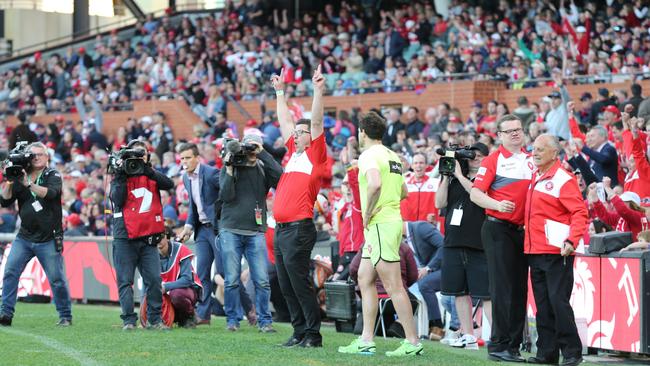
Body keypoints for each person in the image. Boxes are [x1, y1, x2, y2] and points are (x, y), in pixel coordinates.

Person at [338, 111, 424, 357]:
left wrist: (370, 211)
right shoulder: (392, 155)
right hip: (389, 222)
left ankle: (412, 341)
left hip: (379, 224)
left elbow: (374, 184)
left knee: (394, 285)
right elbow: (404, 191)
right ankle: (366, 339)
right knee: (364, 278)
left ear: (362, 132)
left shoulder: (368, 155)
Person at [270, 65, 328, 348]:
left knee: (300, 284)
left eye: (300, 131)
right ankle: (298, 331)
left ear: (310, 136)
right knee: (286, 284)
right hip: (282, 230)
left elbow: (316, 122)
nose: (296, 134)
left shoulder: (316, 156)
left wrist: (318, 91)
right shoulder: (293, 154)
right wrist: (280, 92)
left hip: (299, 229)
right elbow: (284, 120)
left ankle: (313, 335)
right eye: (296, 131)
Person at [470, 114, 534, 362]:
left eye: (518, 129)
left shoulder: (531, 159)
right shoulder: (493, 159)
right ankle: (499, 345)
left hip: (523, 231)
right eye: (509, 131)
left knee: (519, 289)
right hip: (498, 228)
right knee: (502, 288)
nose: (516, 133)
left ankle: (513, 345)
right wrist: (497, 204)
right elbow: (476, 194)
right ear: (500, 135)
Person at [524, 134, 588, 366]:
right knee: (542, 305)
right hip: (535, 250)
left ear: (554, 153)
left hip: (557, 251)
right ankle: (546, 353)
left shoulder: (563, 178)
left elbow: (580, 212)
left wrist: (572, 240)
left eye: (541, 149)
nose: (535, 152)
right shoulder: (535, 176)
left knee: (558, 302)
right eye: (534, 148)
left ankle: (572, 352)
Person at [0, 142, 72, 327]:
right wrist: (9, 178)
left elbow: (51, 194)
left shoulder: (52, 174)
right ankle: (5, 314)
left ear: (47, 157)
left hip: (48, 237)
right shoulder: (20, 174)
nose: (37, 157)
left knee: (56, 279)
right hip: (25, 236)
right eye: (33, 155)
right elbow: (5, 201)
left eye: (40, 154)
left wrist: (28, 184)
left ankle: (65, 315)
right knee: (9, 272)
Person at [218, 133, 282, 332]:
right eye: (249, 147)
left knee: (262, 280)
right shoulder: (233, 164)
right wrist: (229, 169)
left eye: (256, 147)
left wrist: (263, 154)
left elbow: (281, 179)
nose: (252, 151)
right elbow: (225, 196)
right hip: (231, 228)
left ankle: (265, 321)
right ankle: (232, 320)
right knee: (232, 279)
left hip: (255, 230)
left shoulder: (263, 168)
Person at [110, 140, 174, 331]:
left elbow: (169, 183)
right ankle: (129, 320)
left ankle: (154, 320)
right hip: (125, 237)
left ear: (147, 155)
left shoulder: (151, 175)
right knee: (125, 280)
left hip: (148, 236)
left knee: (154, 279)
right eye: (135, 155)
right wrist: (121, 174)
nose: (138, 158)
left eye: (142, 154)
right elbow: (117, 199)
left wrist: (148, 169)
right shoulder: (119, 176)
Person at [435, 142, 492, 350]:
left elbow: (479, 196)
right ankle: (468, 335)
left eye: (479, 155)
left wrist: (460, 176)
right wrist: (446, 176)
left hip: (479, 242)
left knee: (486, 293)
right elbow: (439, 203)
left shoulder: (488, 178)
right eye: (471, 156)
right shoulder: (455, 179)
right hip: (453, 241)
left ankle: (496, 336)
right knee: (459, 291)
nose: (475, 159)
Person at [177, 142, 221, 325]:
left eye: (188, 158)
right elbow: (194, 208)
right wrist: (188, 226)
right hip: (202, 230)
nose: (185, 162)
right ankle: (204, 316)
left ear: (197, 158)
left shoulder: (211, 173)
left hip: (218, 228)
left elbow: (226, 195)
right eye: (182, 158)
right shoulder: (186, 179)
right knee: (201, 273)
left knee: (226, 273)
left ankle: (248, 310)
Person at [403, 220, 445, 341]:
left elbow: (444, 245)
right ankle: (405, 326)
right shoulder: (405, 238)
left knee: (425, 285)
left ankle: (437, 327)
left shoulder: (420, 227)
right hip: (434, 271)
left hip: (448, 267)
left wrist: (428, 268)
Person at [157, 222, 203, 328]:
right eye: (155, 236)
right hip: (168, 292)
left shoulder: (180, 249)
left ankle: (190, 316)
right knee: (152, 294)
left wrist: (166, 287)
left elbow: (187, 279)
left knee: (176, 294)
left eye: (161, 236)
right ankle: (176, 319)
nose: (158, 240)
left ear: (168, 238)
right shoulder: (151, 255)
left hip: (188, 290)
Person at [401, 152, 440, 223]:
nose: (418, 165)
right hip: (409, 229)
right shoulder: (404, 184)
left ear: (426, 165)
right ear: (412, 166)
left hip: (429, 227)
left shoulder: (436, 183)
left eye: (421, 163)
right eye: (415, 163)